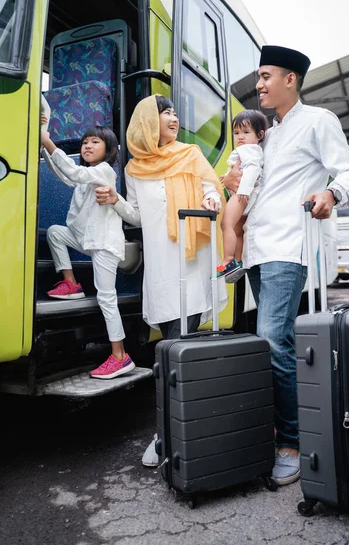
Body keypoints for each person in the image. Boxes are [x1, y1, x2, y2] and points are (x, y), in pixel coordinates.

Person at [223, 46, 349, 486]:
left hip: (288, 248)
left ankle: (291, 442)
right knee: (268, 341)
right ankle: (277, 428)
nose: (259, 85)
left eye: (266, 77)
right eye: (258, 77)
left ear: (291, 79)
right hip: (258, 251)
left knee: (272, 338)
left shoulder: (317, 120)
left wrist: (331, 195)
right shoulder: (270, 134)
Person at [95, 94, 228, 465]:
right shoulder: (135, 169)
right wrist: (115, 202)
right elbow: (136, 216)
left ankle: (167, 433)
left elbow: (210, 189)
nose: (173, 117)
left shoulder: (190, 154)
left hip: (191, 261)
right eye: (165, 112)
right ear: (147, 122)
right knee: (170, 344)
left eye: (173, 112)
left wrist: (212, 200)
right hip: (161, 268)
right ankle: (177, 429)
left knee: (176, 343)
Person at [40, 118, 135, 380]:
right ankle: (71, 284)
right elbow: (65, 174)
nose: (88, 146)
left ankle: (120, 356)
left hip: (103, 243)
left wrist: (48, 141)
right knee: (56, 233)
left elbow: (73, 172)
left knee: (107, 298)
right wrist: (44, 148)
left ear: (109, 150)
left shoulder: (104, 171)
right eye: (84, 142)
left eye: (95, 142)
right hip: (85, 239)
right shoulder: (87, 176)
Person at [216, 110, 266, 282]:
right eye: (236, 133)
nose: (240, 137)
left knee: (226, 223)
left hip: (241, 195)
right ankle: (237, 260)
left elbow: (253, 168)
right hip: (244, 194)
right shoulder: (252, 149)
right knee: (237, 230)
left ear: (260, 134)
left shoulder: (249, 149)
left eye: (246, 132)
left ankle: (228, 260)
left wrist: (243, 190)